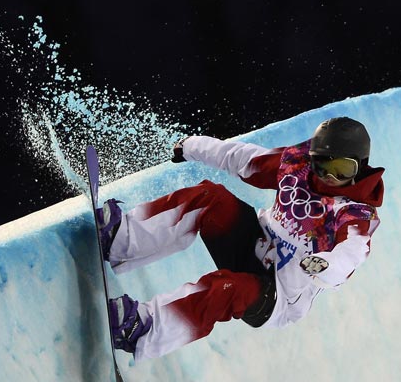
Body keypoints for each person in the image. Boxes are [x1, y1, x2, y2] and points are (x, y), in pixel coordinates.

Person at [96, 117, 385, 361]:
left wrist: (326, 264)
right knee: (211, 197)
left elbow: (352, 252)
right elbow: (245, 160)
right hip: (253, 244)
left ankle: (140, 329)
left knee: (226, 288)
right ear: (312, 158)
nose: (331, 177)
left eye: (343, 170)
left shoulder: (355, 212)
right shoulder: (296, 168)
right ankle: (123, 238)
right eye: (323, 165)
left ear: (361, 166)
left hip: (277, 295)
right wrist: (194, 146)